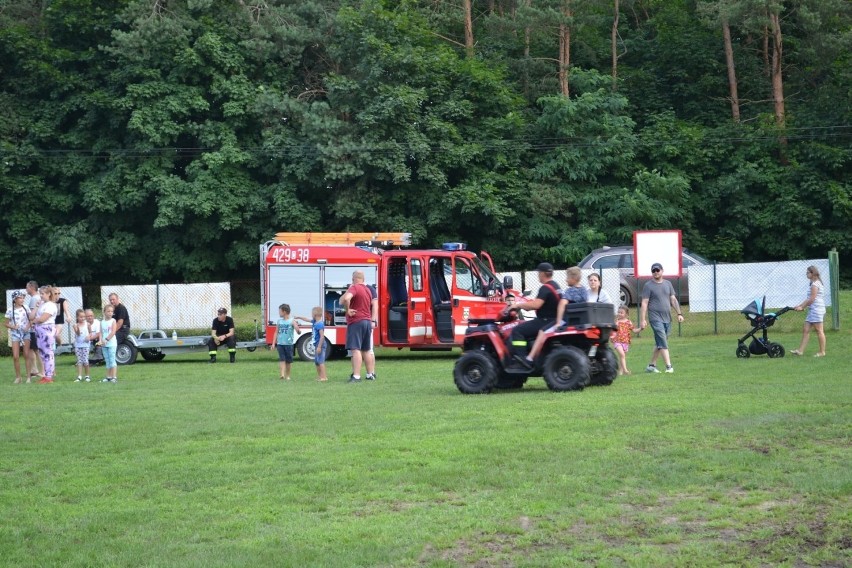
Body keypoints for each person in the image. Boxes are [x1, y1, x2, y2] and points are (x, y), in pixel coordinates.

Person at [522, 266, 587, 365]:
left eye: (567, 278)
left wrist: (558, 322)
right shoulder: (584, 290)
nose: (566, 280)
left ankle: (530, 357)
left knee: (542, 332)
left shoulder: (569, 291)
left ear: (573, 279)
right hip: (579, 319)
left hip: (567, 319)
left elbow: (562, 304)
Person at [508, 262, 562, 367]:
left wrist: (518, 305)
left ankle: (523, 360)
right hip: (554, 320)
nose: (538, 275)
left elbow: (536, 305)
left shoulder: (545, 288)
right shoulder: (555, 285)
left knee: (517, 330)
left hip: (546, 320)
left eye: (538, 273)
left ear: (542, 274)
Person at [639, 263, 684, 374]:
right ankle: (669, 367)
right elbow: (644, 303)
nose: (656, 272)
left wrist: (679, 313)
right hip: (655, 318)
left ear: (662, 271)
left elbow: (673, 300)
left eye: (657, 270)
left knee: (660, 342)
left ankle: (651, 366)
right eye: (653, 271)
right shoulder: (648, 285)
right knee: (663, 342)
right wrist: (643, 319)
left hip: (667, 318)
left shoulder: (668, 284)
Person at [340, 270, 378, 383]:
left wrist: (348, 310)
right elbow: (374, 304)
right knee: (366, 349)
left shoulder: (355, 288)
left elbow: (346, 299)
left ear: (353, 279)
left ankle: (356, 376)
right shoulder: (368, 290)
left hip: (356, 321)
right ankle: (370, 374)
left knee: (355, 349)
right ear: (363, 279)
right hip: (367, 321)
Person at [791, 265, 826, 357]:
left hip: (817, 309)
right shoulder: (812, 283)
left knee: (819, 331)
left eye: (807, 272)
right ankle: (800, 351)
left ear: (812, 273)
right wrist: (800, 305)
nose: (806, 274)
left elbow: (812, 299)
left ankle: (822, 352)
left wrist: (802, 307)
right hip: (812, 310)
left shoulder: (815, 284)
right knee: (806, 330)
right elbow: (808, 299)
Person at [30, 285, 58, 383]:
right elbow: (31, 316)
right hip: (39, 331)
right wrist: (37, 306)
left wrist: (34, 321)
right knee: (42, 354)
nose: (41, 296)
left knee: (48, 353)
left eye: (42, 293)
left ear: (49, 294)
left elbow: (42, 319)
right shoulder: (42, 304)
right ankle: (45, 374)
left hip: (47, 330)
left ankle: (49, 376)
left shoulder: (51, 305)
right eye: (40, 293)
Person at [4, 290, 31, 383]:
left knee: (26, 354)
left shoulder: (26, 308)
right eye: (20, 298)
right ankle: (18, 377)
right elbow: (6, 323)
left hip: (25, 333)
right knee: (15, 356)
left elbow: (31, 319)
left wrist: (27, 327)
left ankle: (28, 377)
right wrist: (13, 326)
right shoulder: (10, 310)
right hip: (15, 334)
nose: (22, 299)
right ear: (15, 299)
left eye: (23, 297)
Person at [296, 306, 327, 382]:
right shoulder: (314, 322)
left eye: (312, 313)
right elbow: (306, 319)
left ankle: (324, 377)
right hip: (316, 345)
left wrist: (319, 347)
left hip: (320, 345)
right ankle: (320, 376)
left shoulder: (319, 324)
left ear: (315, 314)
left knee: (320, 361)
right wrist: (299, 317)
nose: (311, 315)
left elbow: (322, 337)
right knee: (316, 362)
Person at [270, 304, 301, 380]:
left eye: (280, 311)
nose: (279, 313)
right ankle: (282, 374)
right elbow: (276, 332)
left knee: (288, 361)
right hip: (280, 344)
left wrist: (298, 330)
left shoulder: (292, 321)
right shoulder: (279, 321)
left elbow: (298, 330)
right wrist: (273, 343)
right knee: (282, 359)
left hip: (289, 344)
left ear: (284, 312)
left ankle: (287, 375)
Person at [613, 305, 641, 375]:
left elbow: (634, 330)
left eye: (621, 312)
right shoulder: (617, 322)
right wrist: (612, 336)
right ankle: (625, 371)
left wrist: (641, 328)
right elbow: (613, 331)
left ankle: (620, 371)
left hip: (625, 342)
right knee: (622, 355)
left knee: (622, 357)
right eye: (618, 312)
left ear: (626, 314)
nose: (619, 314)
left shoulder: (629, 322)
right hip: (617, 341)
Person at [25, 280, 42, 380]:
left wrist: (28, 326)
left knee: (35, 350)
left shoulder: (34, 299)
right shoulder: (37, 297)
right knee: (33, 349)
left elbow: (32, 315)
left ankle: (40, 370)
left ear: (31, 287)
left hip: (33, 329)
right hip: (35, 328)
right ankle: (34, 369)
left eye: (27, 287)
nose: (26, 289)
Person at [98, 304, 118, 383]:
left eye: (111, 311)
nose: (110, 313)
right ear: (104, 312)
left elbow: (113, 332)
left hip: (112, 344)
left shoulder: (113, 321)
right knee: (107, 360)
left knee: (112, 360)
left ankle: (114, 377)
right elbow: (101, 332)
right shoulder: (102, 322)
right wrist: (100, 340)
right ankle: (108, 377)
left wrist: (106, 339)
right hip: (104, 345)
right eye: (108, 311)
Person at [72, 309, 93, 382]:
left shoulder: (87, 324)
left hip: (86, 345)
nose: (83, 318)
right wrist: (77, 328)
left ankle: (87, 376)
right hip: (78, 345)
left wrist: (89, 337)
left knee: (85, 360)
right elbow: (78, 334)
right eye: (81, 317)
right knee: (79, 361)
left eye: (84, 317)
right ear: (77, 317)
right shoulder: (75, 325)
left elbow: (90, 333)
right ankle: (79, 376)